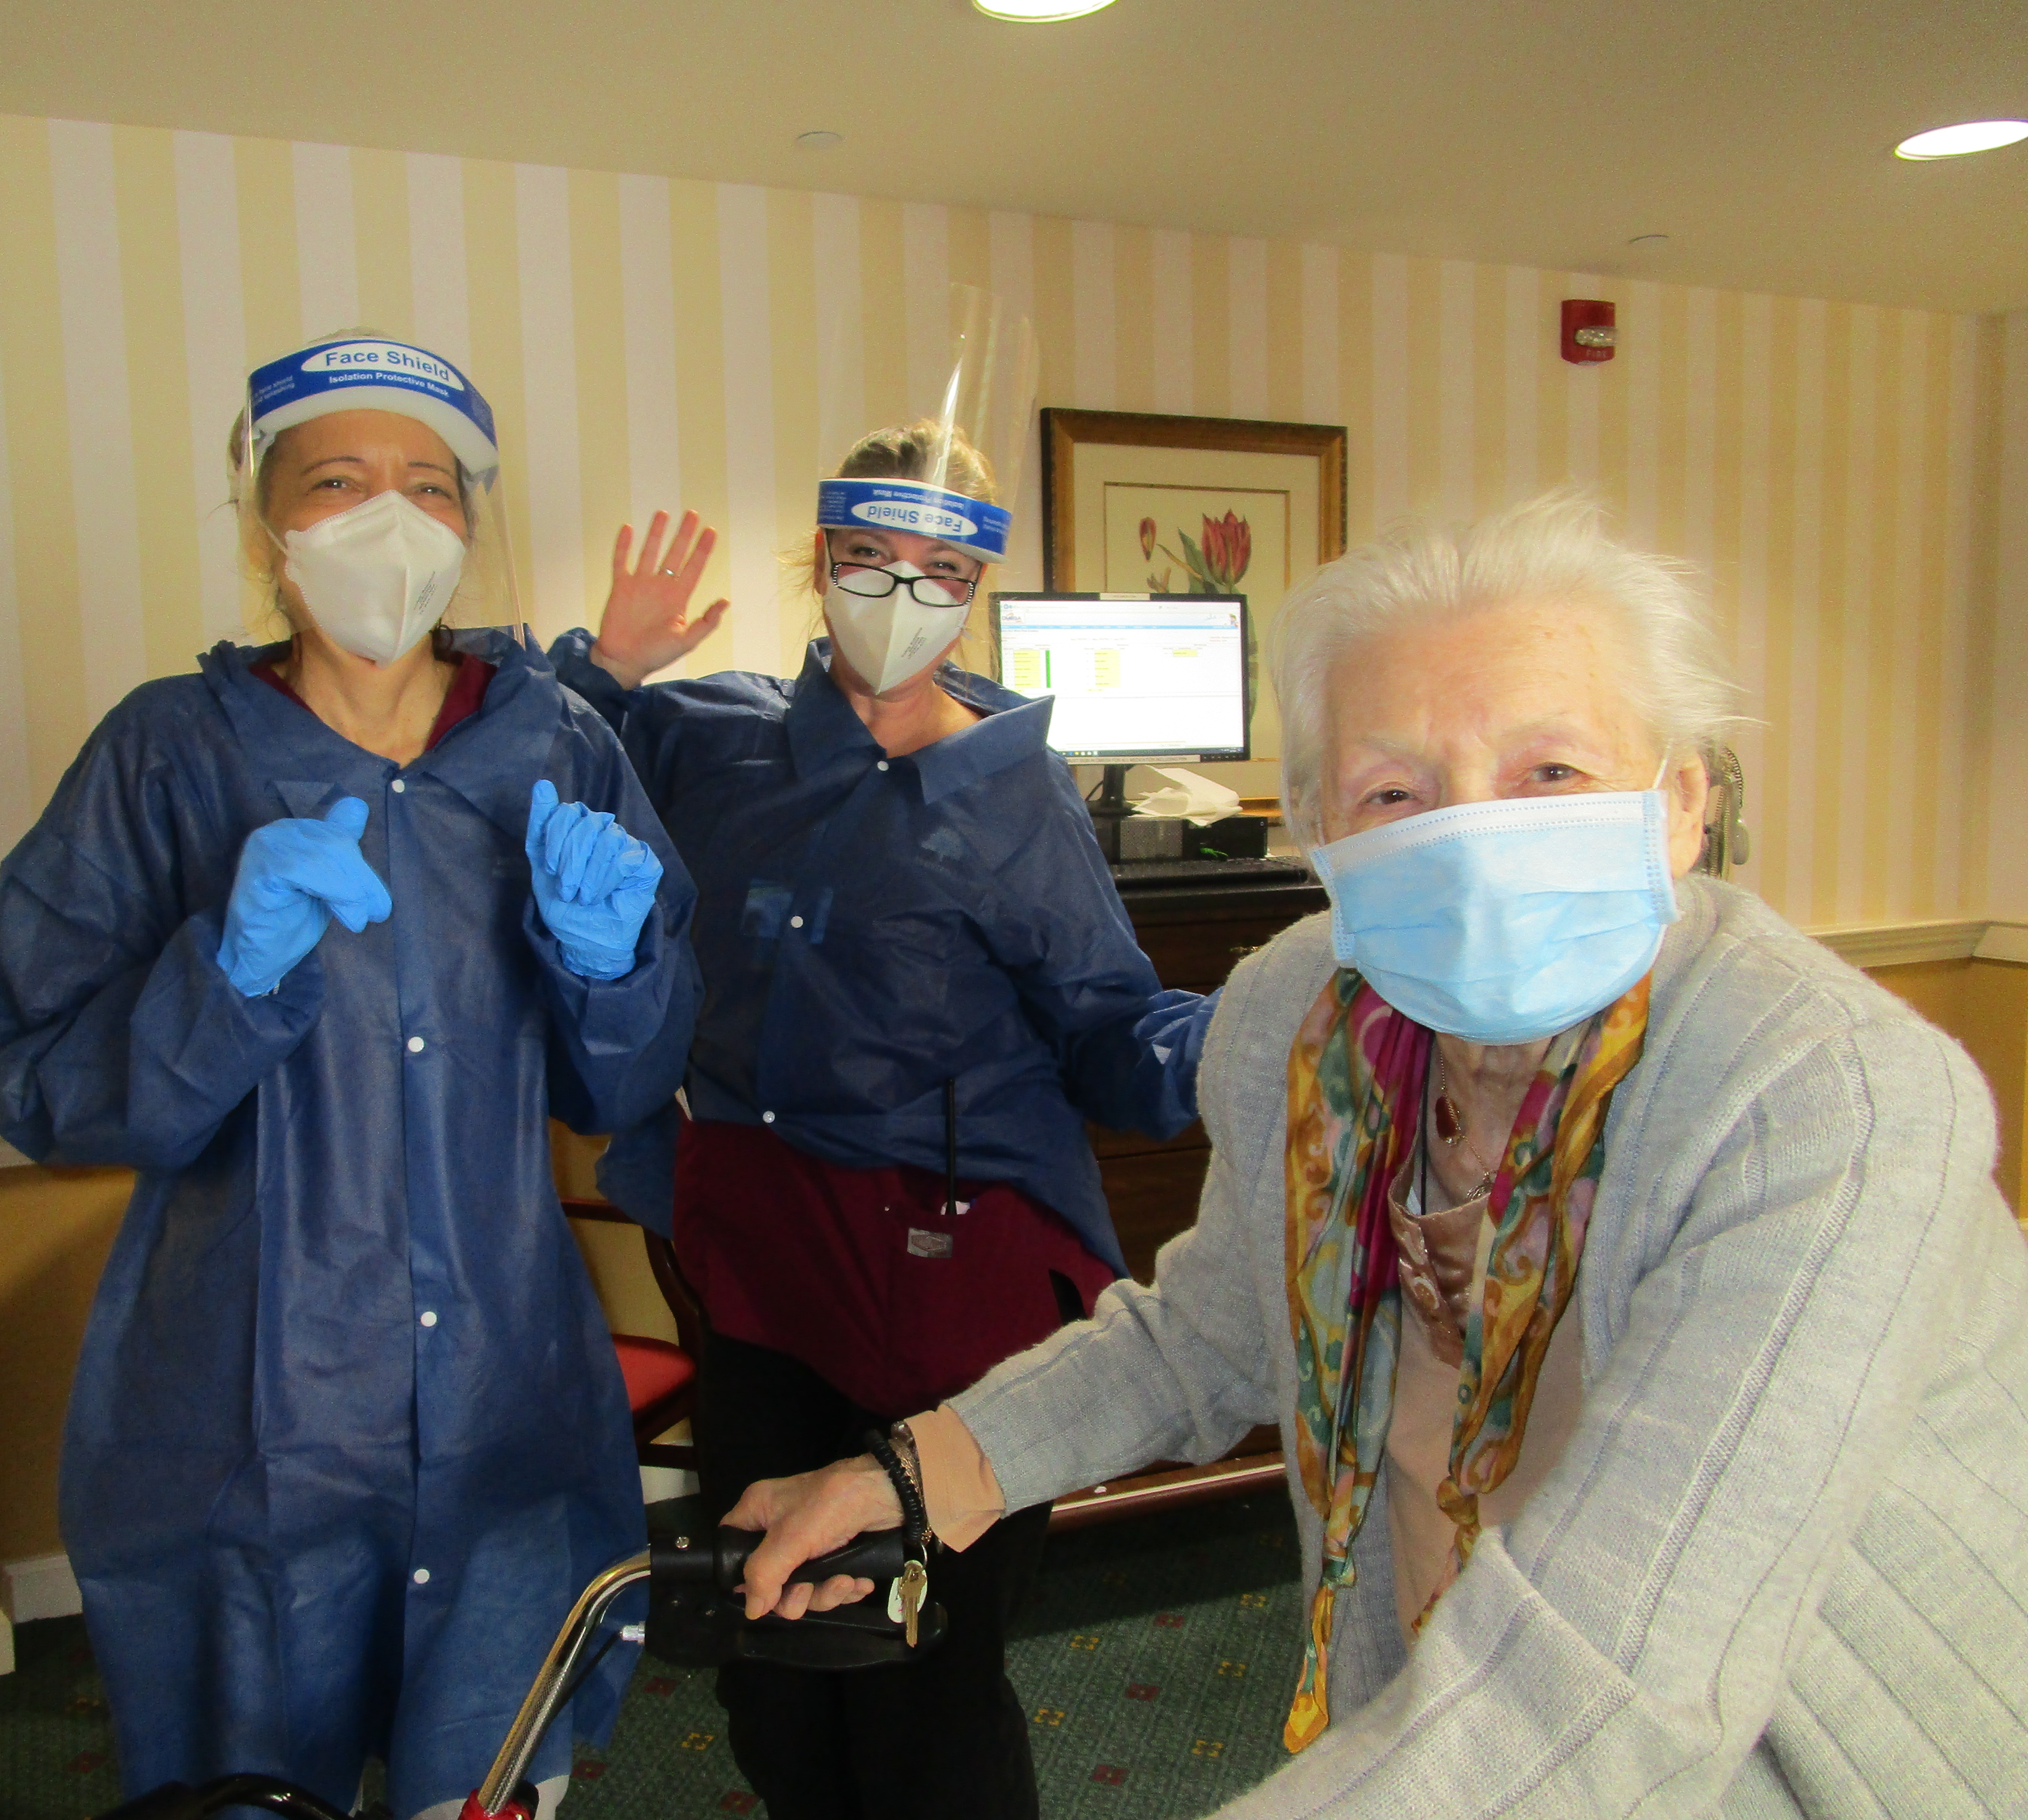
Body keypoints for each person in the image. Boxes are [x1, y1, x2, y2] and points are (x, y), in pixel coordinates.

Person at [730, 490, 2028, 1816]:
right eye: (1396, 790)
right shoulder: (1303, 1012)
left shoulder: (1824, 1101)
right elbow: (1212, 1333)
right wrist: (916, 1472)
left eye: (1551, 773)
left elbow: (1626, 1669)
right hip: (1442, 1727)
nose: (1473, 841)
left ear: (1682, 804)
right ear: (1319, 833)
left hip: (1803, 1759)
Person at [0, 330, 700, 1820]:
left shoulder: (554, 745)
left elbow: (623, 1088)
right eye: (341, 481)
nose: (391, 521)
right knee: (249, 1785)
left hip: (503, 1396)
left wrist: (612, 972)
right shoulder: (169, 758)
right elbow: (30, 1069)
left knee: (484, 1785)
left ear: (472, 529)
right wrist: (222, 983)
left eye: (431, 488)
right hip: (249, 1420)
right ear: (267, 524)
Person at [550, 335, 1222, 1813]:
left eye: (941, 573)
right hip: (765, 1265)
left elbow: (1111, 1028)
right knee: (778, 1651)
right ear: (820, 556)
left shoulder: (1013, 789)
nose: (900, 598)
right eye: (868, 556)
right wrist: (601, 670)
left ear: (977, 589)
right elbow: (520, 790)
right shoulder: (704, 738)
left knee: (929, 1676)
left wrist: (1242, 1042)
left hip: (963, 1275)